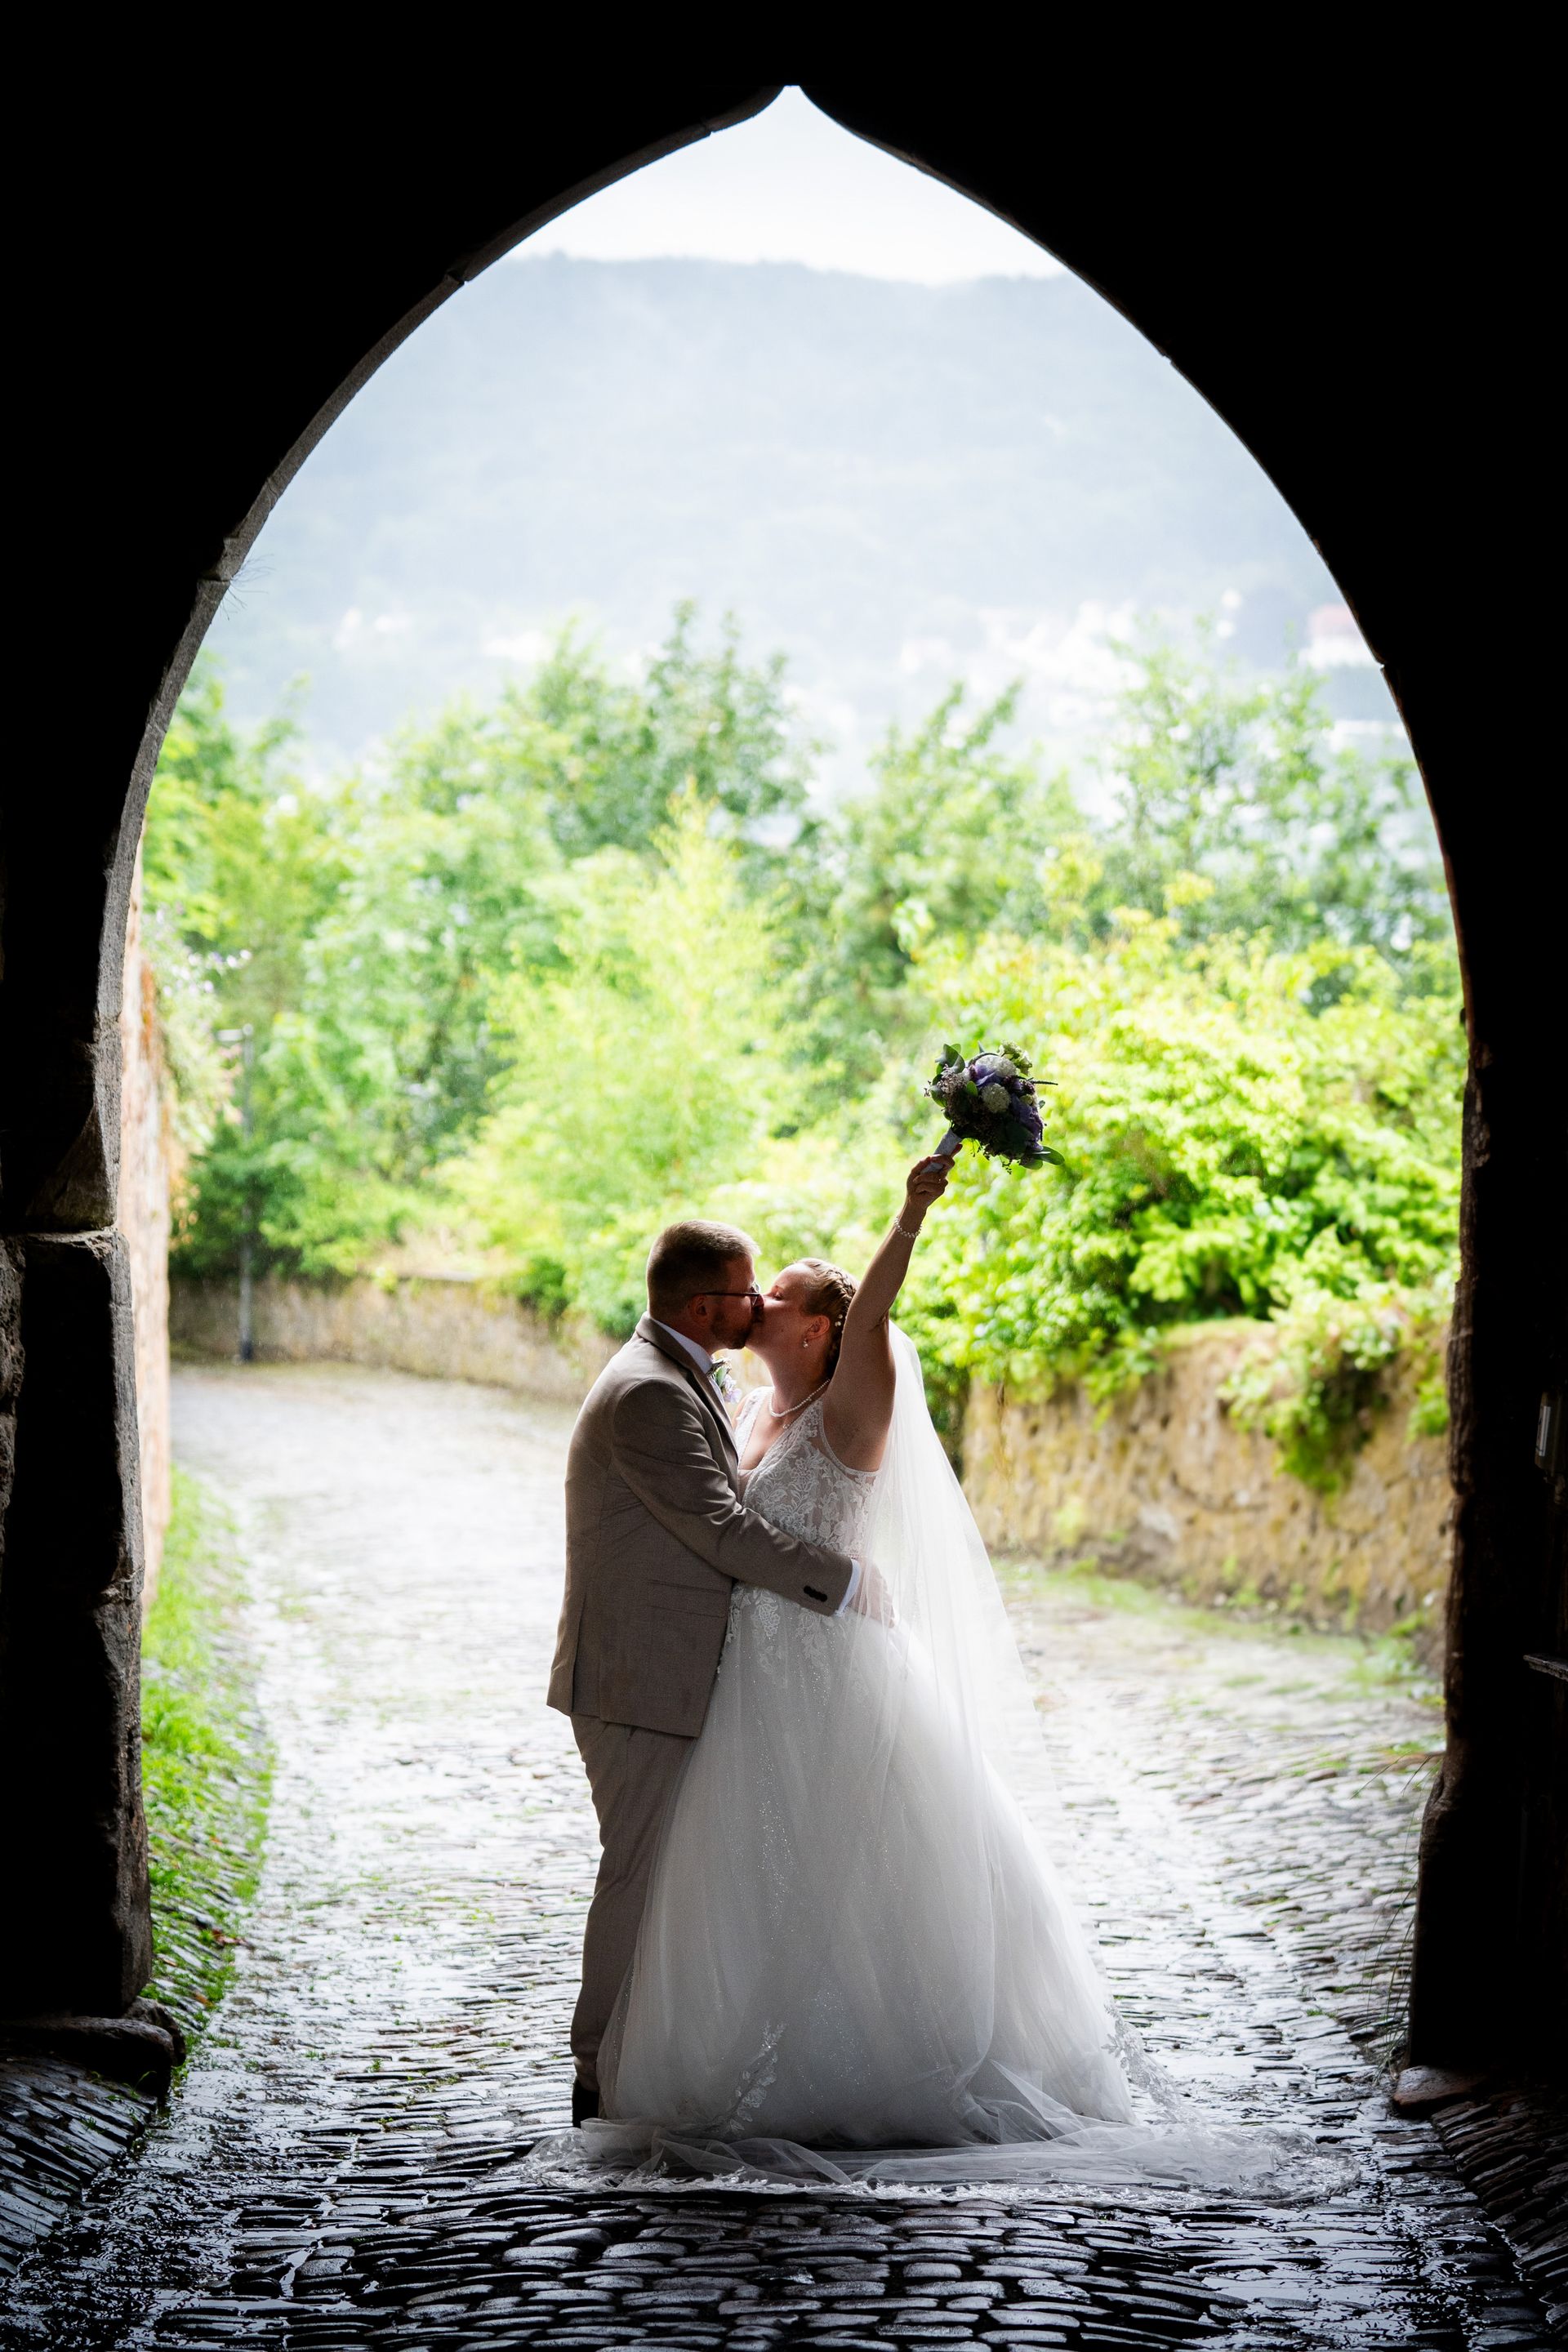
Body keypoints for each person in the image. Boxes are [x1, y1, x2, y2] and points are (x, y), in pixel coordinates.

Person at [549, 1215, 887, 2125]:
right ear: (705, 1307)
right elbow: (721, 1530)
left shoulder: (685, 1375)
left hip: (671, 1673)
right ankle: (597, 2078)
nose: (758, 1304)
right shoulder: (648, 1394)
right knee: (637, 1878)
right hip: (637, 1680)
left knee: (670, 1879)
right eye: (747, 1292)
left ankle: (655, 2061)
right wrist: (847, 1582)